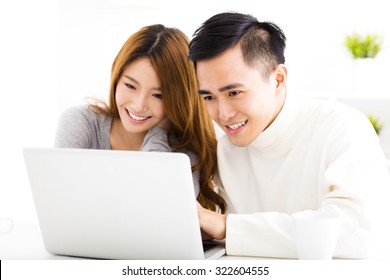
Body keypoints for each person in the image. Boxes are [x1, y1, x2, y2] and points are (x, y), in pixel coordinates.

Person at [188, 12, 390, 258]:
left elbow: (354, 232)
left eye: (234, 93)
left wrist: (227, 227)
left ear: (278, 78)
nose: (222, 114)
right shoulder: (225, 147)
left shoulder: (343, 128)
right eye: (209, 97)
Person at [55, 24, 226, 213]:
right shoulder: (81, 122)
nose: (139, 105)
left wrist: (159, 132)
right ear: (116, 78)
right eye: (130, 86)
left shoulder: (184, 153)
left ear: (179, 99)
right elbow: (63, 203)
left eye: (158, 95)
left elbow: (160, 214)